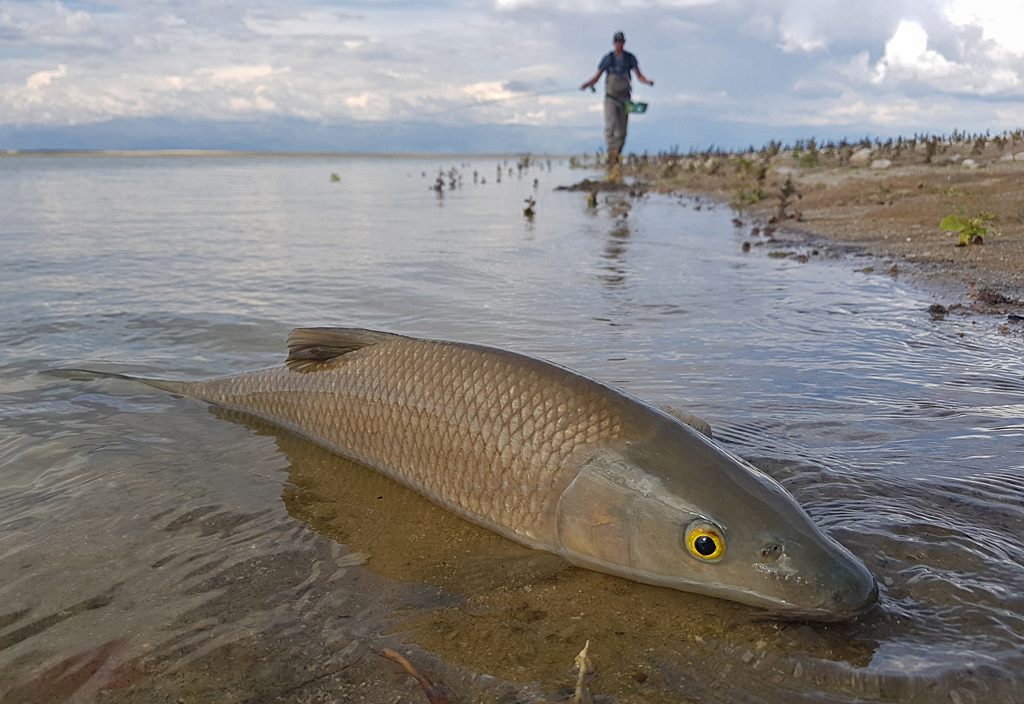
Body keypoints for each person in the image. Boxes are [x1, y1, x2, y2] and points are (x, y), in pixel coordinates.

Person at [580, 31, 654, 168]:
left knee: (623, 130)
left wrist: (647, 82)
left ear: (624, 43)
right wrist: (587, 84)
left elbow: (639, 75)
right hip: (611, 98)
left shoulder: (630, 58)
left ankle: (617, 153)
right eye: (617, 42)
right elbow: (597, 77)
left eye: (621, 42)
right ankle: (611, 152)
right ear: (614, 43)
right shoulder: (608, 58)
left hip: (625, 99)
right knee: (610, 127)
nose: (619, 44)